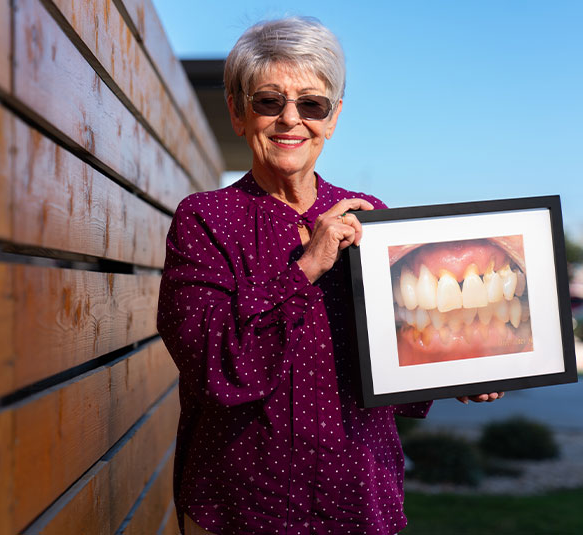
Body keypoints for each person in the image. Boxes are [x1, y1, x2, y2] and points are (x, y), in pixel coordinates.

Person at [157, 17, 502, 535]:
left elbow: (393, 365)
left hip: (356, 503)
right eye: (268, 101)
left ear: (333, 117)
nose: (290, 120)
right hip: (239, 507)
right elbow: (217, 370)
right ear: (236, 111)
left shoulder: (371, 219)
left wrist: (457, 370)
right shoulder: (205, 219)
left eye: (311, 104)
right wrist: (306, 268)